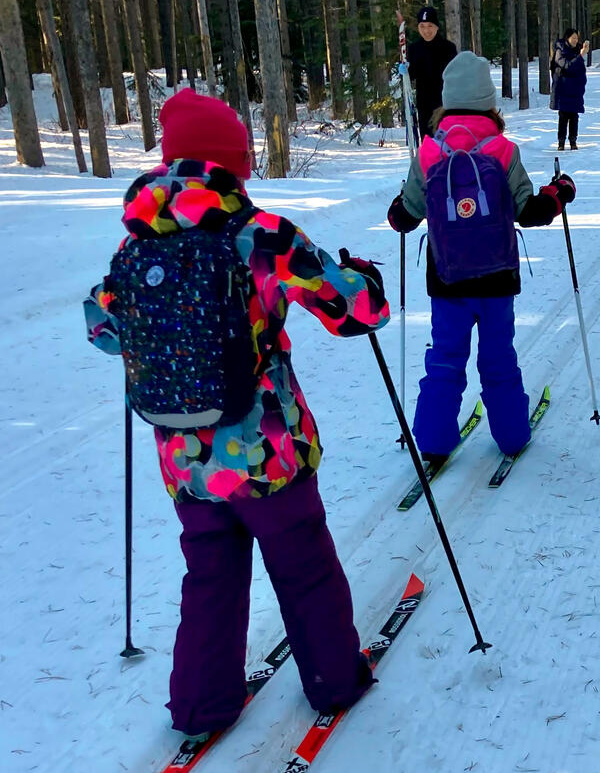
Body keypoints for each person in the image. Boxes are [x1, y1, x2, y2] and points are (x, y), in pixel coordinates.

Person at [83, 89, 389, 739]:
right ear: (233, 163)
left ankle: (201, 706)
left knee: (210, 574)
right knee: (303, 565)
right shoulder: (261, 235)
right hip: (266, 452)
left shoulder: (136, 246)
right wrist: (365, 279)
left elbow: (103, 330)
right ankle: (335, 679)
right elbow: (355, 312)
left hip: (183, 455)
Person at [388, 51, 576, 462]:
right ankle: (512, 436)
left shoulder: (429, 151)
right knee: (498, 358)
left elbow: (405, 216)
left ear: (447, 101)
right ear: (489, 101)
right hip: (497, 278)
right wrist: (560, 192)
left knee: (445, 357)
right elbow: (530, 211)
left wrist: (398, 207)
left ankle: (433, 440)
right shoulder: (501, 149)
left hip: (447, 277)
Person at [405, 5, 458, 139]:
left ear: (436, 26)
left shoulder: (448, 48)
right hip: (424, 105)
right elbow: (411, 76)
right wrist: (405, 71)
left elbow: (456, 77)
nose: (426, 30)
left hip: (445, 103)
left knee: (447, 142)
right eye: (422, 26)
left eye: (430, 26)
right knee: (428, 143)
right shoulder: (414, 49)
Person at [549, 28, 589, 150]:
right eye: (573, 38)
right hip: (563, 90)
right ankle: (561, 143)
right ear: (567, 38)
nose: (575, 40)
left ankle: (573, 141)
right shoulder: (560, 51)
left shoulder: (577, 50)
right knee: (563, 116)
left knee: (574, 117)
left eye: (577, 38)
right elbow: (568, 66)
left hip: (575, 90)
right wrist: (581, 55)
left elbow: (580, 70)